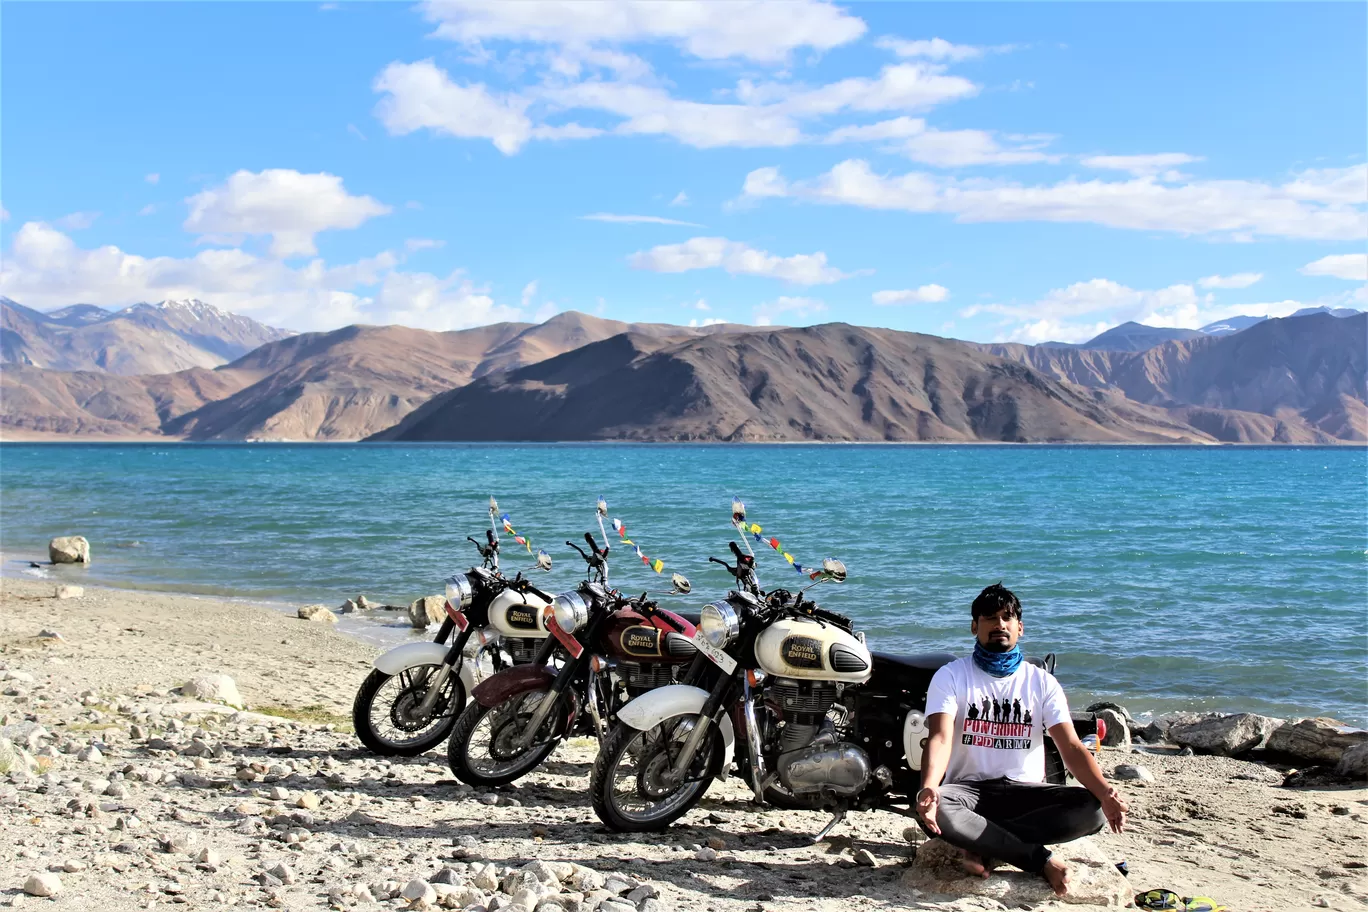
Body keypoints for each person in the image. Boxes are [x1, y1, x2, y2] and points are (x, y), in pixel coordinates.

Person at [915, 583, 1128, 897]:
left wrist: (1107, 793)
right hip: (970, 794)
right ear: (974, 626)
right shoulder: (951, 676)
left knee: (1093, 809)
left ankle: (983, 844)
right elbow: (940, 738)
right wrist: (930, 786)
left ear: (1020, 628)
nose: (999, 624)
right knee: (942, 806)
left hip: (1026, 795)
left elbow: (1070, 746)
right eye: (989, 618)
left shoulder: (1041, 681)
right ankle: (1037, 859)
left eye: (1007, 618)